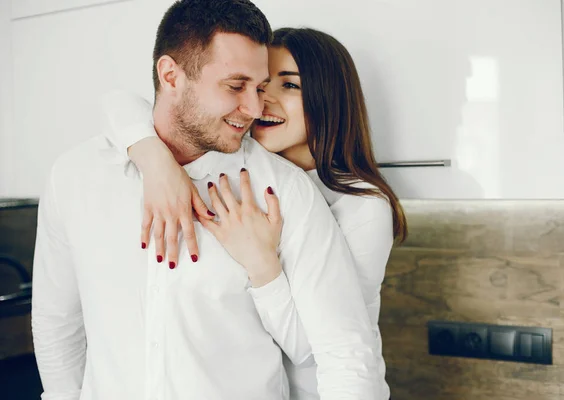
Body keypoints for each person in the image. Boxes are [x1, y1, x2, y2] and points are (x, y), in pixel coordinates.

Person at [31, 1, 378, 399]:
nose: (254, 108)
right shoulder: (76, 176)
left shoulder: (284, 190)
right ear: (171, 75)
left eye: (259, 87)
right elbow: (57, 324)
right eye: (235, 86)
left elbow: (345, 354)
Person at [103, 27, 407, 399]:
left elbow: (315, 349)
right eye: (260, 86)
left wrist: (261, 265)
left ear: (329, 98)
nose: (261, 103)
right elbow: (120, 103)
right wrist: (153, 158)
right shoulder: (245, 171)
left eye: (289, 85)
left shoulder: (361, 206)